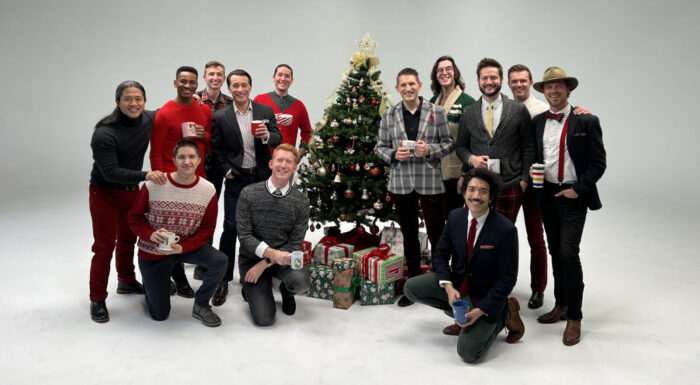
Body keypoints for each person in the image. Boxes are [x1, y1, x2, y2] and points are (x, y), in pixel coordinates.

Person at [404, 168, 524, 363]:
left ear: (492, 197)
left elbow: (507, 278)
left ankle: (505, 313)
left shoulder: (506, 230)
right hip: (459, 287)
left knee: (468, 354)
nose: (476, 196)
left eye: (483, 191)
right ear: (464, 192)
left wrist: (481, 310)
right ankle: (461, 316)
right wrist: (449, 287)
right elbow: (441, 254)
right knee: (411, 288)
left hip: (485, 296)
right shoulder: (455, 217)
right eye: (472, 189)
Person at [531, 67, 606, 345]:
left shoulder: (586, 121)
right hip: (547, 194)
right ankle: (561, 304)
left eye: (558, 86)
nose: (553, 91)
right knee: (554, 250)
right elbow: (535, 154)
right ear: (544, 92)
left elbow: (599, 163)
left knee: (568, 253)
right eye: (548, 88)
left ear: (568, 90)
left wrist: (578, 189)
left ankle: (575, 316)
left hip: (572, 195)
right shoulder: (538, 121)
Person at [88, 80, 167, 323]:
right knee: (103, 246)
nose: (134, 104)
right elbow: (110, 172)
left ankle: (126, 280)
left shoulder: (148, 118)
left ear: (145, 101)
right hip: (104, 193)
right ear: (117, 102)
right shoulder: (104, 133)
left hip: (131, 191)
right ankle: (97, 299)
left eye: (138, 99)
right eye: (127, 99)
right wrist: (146, 175)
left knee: (129, 238)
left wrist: (194, 97)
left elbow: (170, 110)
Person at [128, 139, 227, 327]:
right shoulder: (154, 185)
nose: (187, 161)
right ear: (174, 160)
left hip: (184, 246)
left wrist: (182, 247)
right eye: (181, 157)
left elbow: (206, 231)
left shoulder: (207, 189)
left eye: (191, 157)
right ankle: (152, 283)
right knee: (159, 315)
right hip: (154, 250)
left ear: (199, 160)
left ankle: (201, 304)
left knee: (220, 260)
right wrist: (150, 233)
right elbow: (134, 217)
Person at [376, 68, 454, 307]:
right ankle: (414, 284)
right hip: (401, 183)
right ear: (398, 88)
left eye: (412, 84)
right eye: (403, 85)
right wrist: (393, 154)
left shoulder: (436, 112)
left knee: (437, 234)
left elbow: (449, 143)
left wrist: (429, 150)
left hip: (430, 181)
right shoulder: (389, 115)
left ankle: (442, 282)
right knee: (408, 233)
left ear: (420, 85)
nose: (408, 88)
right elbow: (380, 148)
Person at [210, 69, 282, 306]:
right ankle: (223, 277)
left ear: (250, 87)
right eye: (235, 86)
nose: (240, 89)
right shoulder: (221, 116)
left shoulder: (264, 111)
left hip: (260, 178)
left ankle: (253, 277)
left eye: (244, 85)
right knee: (231, 227)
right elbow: (216, 150)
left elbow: (277, 137)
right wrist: (227, 172)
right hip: (237, 179)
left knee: (258, 229)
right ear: (229, 89)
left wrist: (266, 136)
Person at [149, 66, 213, 297]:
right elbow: (155, 150)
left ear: (198, 85)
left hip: (198, 178)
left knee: (190, 230)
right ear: (175, 83)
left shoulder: (204, 110)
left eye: (192, 82)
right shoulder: (165, 113)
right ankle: (177, 277)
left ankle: (179, 273)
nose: (187, 86)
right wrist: (158, 180)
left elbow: (209, 140)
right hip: (170, 180)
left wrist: (202, 134)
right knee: (171, 230)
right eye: (183, 81)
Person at [236, 144, 310, 326]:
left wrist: (266, 262)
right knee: (265, 319)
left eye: (289, 162)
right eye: (279, 160)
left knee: (302, 282)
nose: (283, 165)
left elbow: (295, 242)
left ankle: (286, 290)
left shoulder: (301, 201)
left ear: (295, 167)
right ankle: (253, 289)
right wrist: (266, 257)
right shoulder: (249, 193)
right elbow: (244, 235)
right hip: (251, 259)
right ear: (271, 164)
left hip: (282, 258)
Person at [456, 58, 534, 228]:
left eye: (493, 77)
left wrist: (524, 180)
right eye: (484, 78)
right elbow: (460, 147)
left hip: (510, 184)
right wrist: (471, 159)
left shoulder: (518, 109)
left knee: (504, 235)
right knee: (477, 233)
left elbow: (529, 147)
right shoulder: (469, 112)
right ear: (478, 81)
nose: (489, 82)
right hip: (477, 185)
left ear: (501, 80)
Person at [428, 56, 476, 214]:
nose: (444, 72)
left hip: (456, 173)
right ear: (436, 75)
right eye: (440, 70)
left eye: (448, 68)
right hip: (433, 172)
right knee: (436, 221)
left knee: (454, 220)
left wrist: (465, 174)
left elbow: (473, 141)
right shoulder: (432, 101)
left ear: (455, 72)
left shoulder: (467, 102)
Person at [253, 64, 312, 162]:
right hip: (262, 159)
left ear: (291, 80)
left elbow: (307, 133)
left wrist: (299, 154)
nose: (283, 79)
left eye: (287, 76)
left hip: (287, 160)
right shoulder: (260, 100)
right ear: (274, 77)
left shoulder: (299, 106)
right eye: (280, 75)